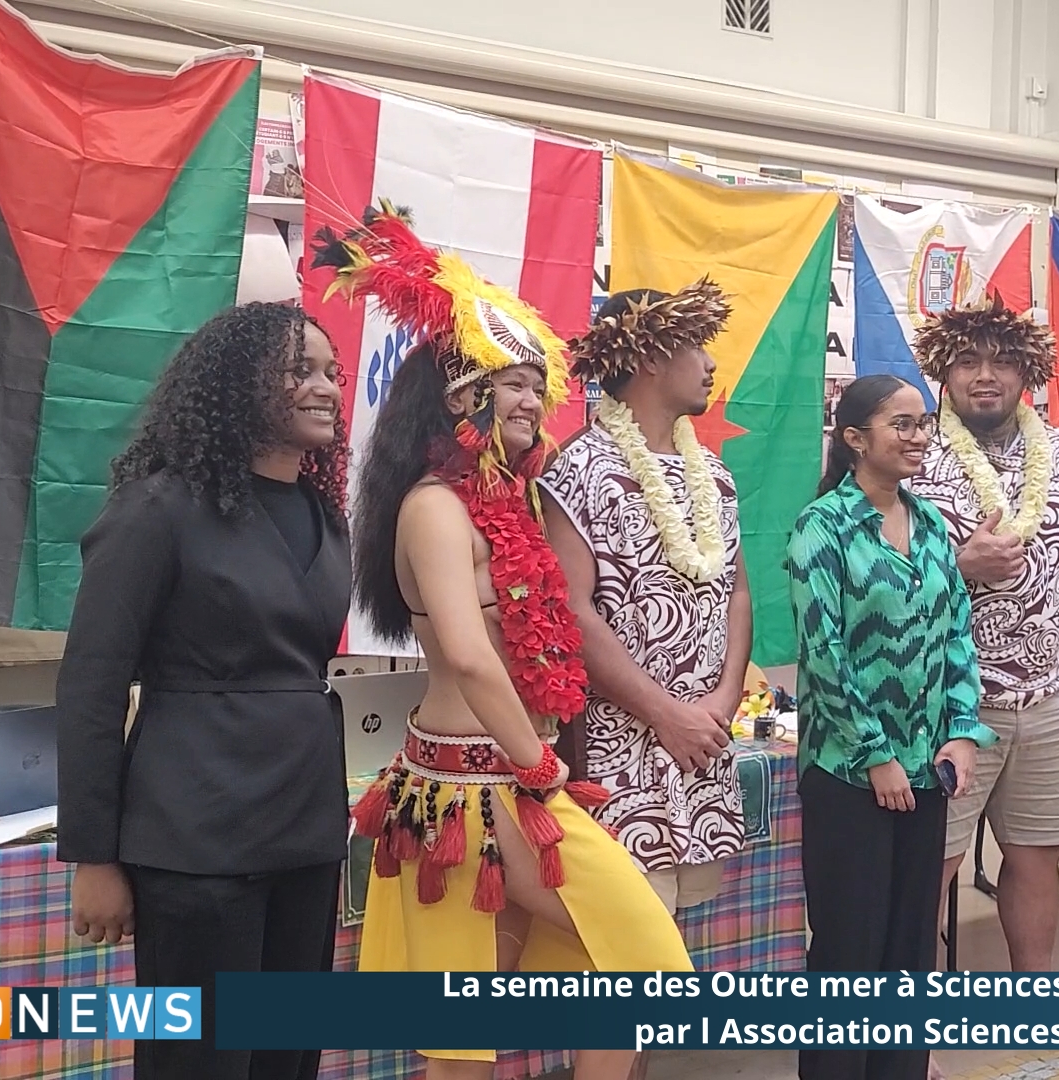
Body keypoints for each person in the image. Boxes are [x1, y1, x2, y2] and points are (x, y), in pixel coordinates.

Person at [321, 205, 691, 1080]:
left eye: (537, 383)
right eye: (514, 382)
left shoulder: (511, 503)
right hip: (470, 788)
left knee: (601, 973)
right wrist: (539, 766)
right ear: (460, 398)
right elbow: (470, 650)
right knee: (501, 1014)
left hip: (510, 773)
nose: (536, 400)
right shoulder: (432, 508)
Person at [58, 301, 352, 1080]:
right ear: (237, 383)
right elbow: (90, 686)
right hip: (194, 843)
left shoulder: (327, 517)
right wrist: (94, 855)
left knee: (287, 1059)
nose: (326, 387)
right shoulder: (158, 510)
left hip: (306, 832)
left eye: (331, 372)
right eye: (301, 371)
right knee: (200, 1063)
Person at [787, 373, 996, 1080]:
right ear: (853, 440)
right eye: (899, 424)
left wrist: (963, 730)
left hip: (926, 770)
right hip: (848, 776)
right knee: (850, 952)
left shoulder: (933, 523)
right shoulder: (823, 528)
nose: (916, 436)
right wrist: (874, 754)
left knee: (910, 951)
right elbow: (824, 651)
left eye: (922, 423)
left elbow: (958, 635)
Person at [906, 296, 1059, 973]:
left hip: (1053, 697)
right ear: (943, 372)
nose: (985, 375)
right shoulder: (908, 453)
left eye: (1002, 361)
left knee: (1035, 857)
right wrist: (960, 566)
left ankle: (1029, 1000)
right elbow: (870, 578)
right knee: (930, 868)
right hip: (945, 704)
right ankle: (914, 1041)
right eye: (968, 361)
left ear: (1029, 373)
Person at [542, 282, 750, 923]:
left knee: (678, 932)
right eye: (697, 346)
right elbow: (573, 612)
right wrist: (666, 712)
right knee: (624, 942)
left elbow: (737, 589)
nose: (712, 363)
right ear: (652, 356)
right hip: (619, 749)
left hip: (701, 746)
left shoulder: (711, 471)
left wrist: (721, 699)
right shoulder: (580, 467)